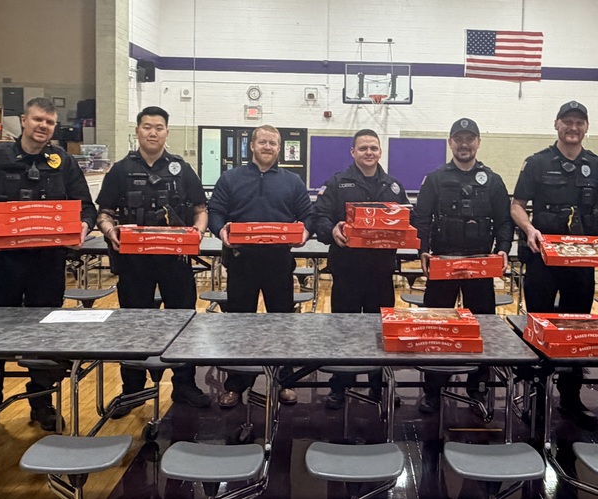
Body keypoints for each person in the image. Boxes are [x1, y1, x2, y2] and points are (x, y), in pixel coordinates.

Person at [0, 97, 95, 437]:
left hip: (47, 265)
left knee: (44, 335)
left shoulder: (63, 163)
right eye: (37, 119)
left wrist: (83, 226)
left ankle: (42, 404)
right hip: (3, 264)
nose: (43, 126)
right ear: (23, 120)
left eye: (49, 122)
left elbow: (86, 208)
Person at [96, 106, 211, 416]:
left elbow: (201, 209)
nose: (152, 132)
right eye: (147, 127)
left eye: (159, 127)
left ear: (166, 133)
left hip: (175, 260)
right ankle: (132, 390)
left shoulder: (182, 169)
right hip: (134, 262)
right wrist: (111, 232)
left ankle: (184, 384)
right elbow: (104, 213)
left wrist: (197, 233)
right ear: (137, 131)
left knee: (183, 321)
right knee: (133, 325)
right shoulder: (120, 170)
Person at [510, 100, 598, 431]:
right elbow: (516, 206)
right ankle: (535, 397)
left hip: (581, 263)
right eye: (567, 121)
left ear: (587, 128)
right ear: (556, 124)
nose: (573, 128)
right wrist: (529, 229)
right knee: (539, 328)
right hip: (542, 260)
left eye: (579, 122)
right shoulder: (537, 163)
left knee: (577, 331)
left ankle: (571, 399)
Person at [207, 124, 314, 408]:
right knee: (240, 326)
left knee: (282, 325)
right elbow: (215, 212)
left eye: (273, 143)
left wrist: (304, 232)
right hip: (241, 263)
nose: (268, 147)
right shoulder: (230, 179)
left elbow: (308, 214)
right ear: (251, 146)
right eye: (263, 142)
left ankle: (283, 383)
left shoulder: (292, 181)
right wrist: (221, 232)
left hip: (279, 263)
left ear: (279, 148)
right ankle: (236, 385)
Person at [411, 118, 514, 413]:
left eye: (470, 138)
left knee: (481, 326)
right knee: (436, 326)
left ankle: (477, 386)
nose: (464, 144)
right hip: (443, 261)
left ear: (478, 142)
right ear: (450, 142)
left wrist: (504, 250)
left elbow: (504, 221)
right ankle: (432, 388)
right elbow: (421, 217)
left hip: (480, 263)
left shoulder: (492, 180)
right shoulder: (435, 179)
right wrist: (423, 250)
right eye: (459, 139)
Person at [313, 129, 409, 409]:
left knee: (381, 330)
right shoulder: (337, 184)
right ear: (353, 152)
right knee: (344, 329)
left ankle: (378, 387)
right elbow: (318, 218)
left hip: (381, 272)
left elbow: (405, 221)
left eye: (374, 148)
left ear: (380, 152)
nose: (369, 153)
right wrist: (332, 230)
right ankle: (340, 386)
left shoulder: (393, 186)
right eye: (363, 148)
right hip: (347, 271)